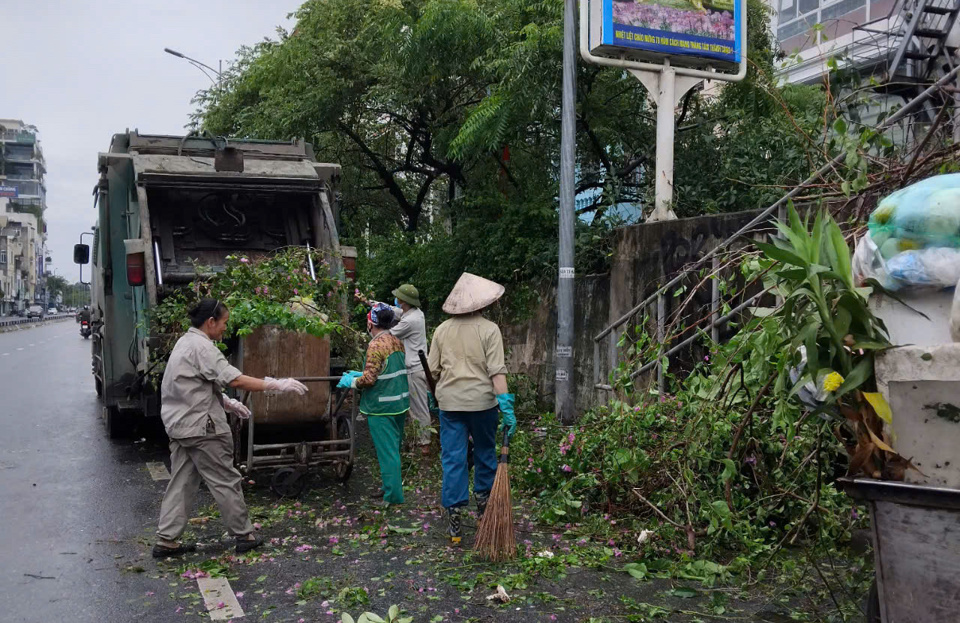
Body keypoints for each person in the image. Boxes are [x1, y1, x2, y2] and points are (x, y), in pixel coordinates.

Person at [153, 298, 309, 558]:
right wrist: (276, 384)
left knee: (181, 482)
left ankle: (167, 540)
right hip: (203, 429)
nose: (226, 328)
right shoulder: (204, 348)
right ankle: (244, 535)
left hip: (180, 426)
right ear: (210, 322)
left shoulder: (184, 343)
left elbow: (188, 384)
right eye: (224, 322)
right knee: (225, 480)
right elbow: (234, 378)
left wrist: (225, 401)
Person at [427, 273, 517, 543]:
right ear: (481, 303)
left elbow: (431, 370)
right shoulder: (489, 330)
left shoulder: (442, 330)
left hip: (450, 405)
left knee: (453, 459)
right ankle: (483, 514)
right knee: (485, 455)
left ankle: (454, 522)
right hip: (482, 405)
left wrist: (435, 397)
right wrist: (506, 407)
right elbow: (497, 373)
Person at [339, 303, 411, 505]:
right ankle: (390, 487)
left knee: (387, 454)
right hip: (399, 404)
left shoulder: (375, 345)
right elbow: (385, 371)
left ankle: (392, 497)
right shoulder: (396, 340)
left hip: (381, 408)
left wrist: (353, 381)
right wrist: (360, 373)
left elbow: (370, 379)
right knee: (393, 451)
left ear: (371, 323)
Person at [386, 284, 431, 455]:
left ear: (403, 301)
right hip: (417, 367)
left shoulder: (410, 321)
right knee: (414, 406)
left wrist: (372, 330)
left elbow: (388, 336)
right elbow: (395, 312)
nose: (396, 300)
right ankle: (418, 440)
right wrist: (372, 303)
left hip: (414, 369)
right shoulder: (415, 313)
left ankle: (424, 444)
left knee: (419, 407)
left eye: (398, 298)